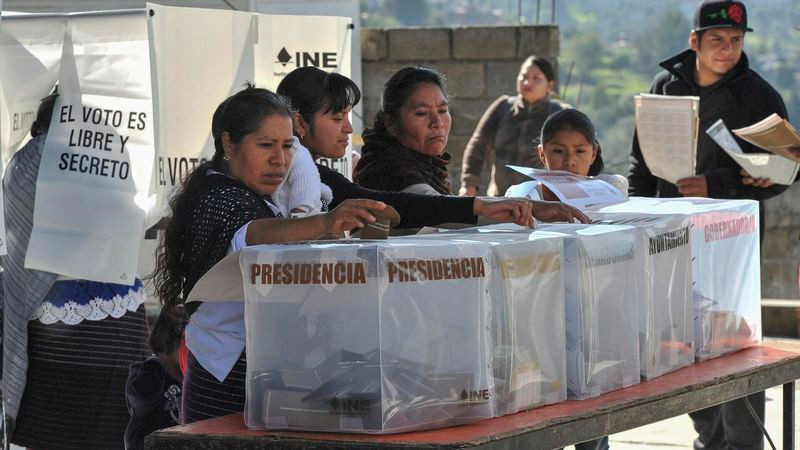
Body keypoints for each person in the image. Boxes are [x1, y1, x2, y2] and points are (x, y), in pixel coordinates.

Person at [152, 85, 393, 424]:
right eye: (265, 145)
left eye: (287, 146)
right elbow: (253, 234)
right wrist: (324, 221)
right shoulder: (217, 197)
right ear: (228, 144)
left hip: (270, 371)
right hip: (224, 375)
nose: (279, 160)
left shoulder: (263, 197)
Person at [627, 2, 789, 448]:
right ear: (695, 41)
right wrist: (634, 214)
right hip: (677, 239)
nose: (728, 49)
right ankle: (708, 438)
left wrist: (714, 182)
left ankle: (744, 443)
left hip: (733, 243)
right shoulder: (665, 87)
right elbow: (642, 160)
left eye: (736, 41)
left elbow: (781, 174)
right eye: (717, 40)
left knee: (736, 347)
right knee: (685, 346)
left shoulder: (760, 96)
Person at [2, 92, 150, 449]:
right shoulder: (95, 151)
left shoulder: (34, 159)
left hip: (66, 315)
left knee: (65, 427)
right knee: (98, 425)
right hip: (106, 309)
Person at [276, 66, 590, 227]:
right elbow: (413, 206)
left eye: (443, 110)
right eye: (423, 114)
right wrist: (488, 207)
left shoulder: (315, 173)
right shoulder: (389, 170)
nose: (438, 123)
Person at [459, 56, 567, 197]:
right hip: (501, 198)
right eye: (524, 76)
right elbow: (478, 145)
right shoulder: (503, 107)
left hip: (544, 201)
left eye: (536, 78)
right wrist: (469, 184)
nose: (528, 82)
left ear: (550, 85)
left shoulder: (559, 114)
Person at [513, 109, 628, 205]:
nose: (570, 161)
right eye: (558, 151)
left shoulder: (611, 189)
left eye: (580, 151)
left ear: (593, 154)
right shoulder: (522, 196)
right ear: (542, 154)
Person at [125, 306, 186, 450]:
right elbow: (141, 398)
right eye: (186, 344)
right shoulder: (147, 373)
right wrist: (155, 363)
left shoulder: (186, 379)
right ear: (168, 341)